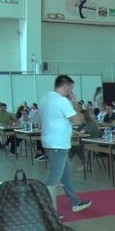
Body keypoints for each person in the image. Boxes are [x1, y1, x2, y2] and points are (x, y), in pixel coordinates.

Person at [41, 75, 92, 215]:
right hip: (59, 143)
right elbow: (78, 120)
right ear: (65, 86)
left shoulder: (45, 98)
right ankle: (48, 211)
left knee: (65, 175)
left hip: (49, 141)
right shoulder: (61, 101)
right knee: (54, 178)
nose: (71, 91)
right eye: (71, 88)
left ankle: (75, 202)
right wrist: (75, 102)